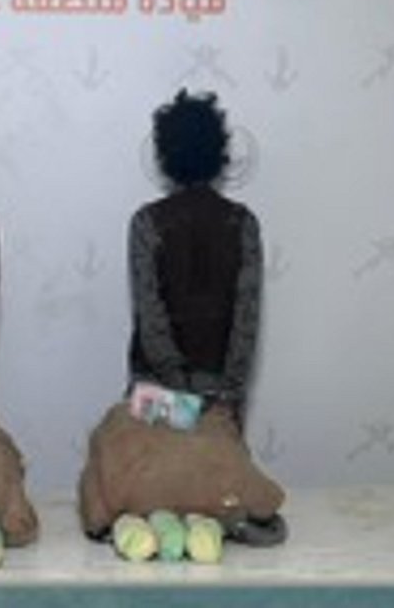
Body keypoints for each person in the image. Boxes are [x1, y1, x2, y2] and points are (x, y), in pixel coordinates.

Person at [125, 89, 286, 546]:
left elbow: (151, 316)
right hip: (222, 394)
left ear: (164, 155)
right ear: (220, 154)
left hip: (156, 391)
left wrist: (179, 390)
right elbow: (246, 318)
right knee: (219, 501)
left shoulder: (146, 222)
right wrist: (225, 394)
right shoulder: (243, 223)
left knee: (154, 502)